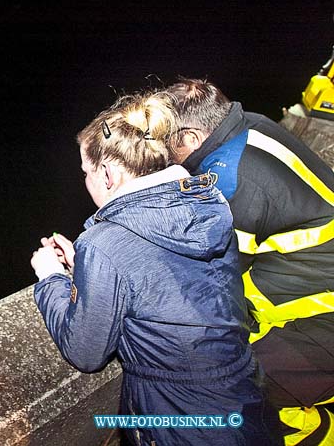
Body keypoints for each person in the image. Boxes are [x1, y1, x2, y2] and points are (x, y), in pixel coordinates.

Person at [31, 91, 281, 445]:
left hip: (183, 422)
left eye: (86, 171)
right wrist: (90, 269)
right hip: (246, 399)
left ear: (106, 174)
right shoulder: (209, 203)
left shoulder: (105, 243)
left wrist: (51, 277)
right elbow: (164, 276)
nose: (85, 181)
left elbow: (86, 351)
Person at [161, 78, 334, 445]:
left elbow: (216, 280)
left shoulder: (228, 182)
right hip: (315, 275)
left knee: (233, 386)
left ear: (191, 137)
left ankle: (314, 431)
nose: (160, 149)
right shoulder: (248, 125)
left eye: (164, 138)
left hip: (324, 316)